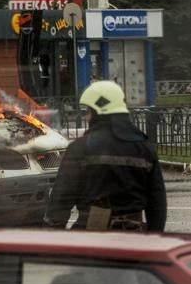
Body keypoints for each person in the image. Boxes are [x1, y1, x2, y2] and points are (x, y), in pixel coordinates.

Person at [43, 80, 167, 232]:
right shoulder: (145, 147)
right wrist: (154, 237)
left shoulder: (80, 148)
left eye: (88, 112)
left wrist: (52, 235)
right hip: (134, 237)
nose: (86, 117)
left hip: (92, 237)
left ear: (97, 110)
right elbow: (157, 203)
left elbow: (61, 199)